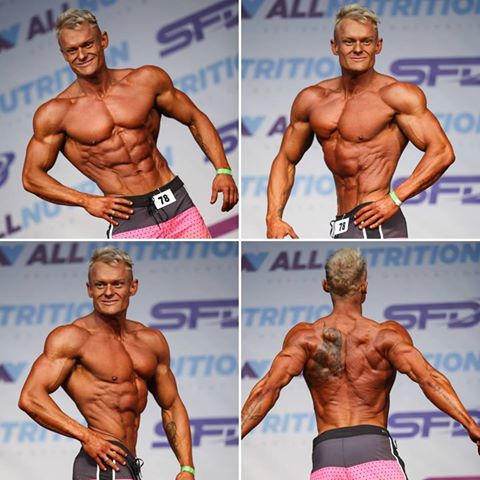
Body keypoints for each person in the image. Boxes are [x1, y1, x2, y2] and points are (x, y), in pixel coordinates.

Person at [242, 248, 480, 479]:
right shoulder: (385, 336)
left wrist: (237, 434)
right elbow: (429, 379)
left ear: (326, 285)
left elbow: (267, 389)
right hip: (374, 452)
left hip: (326, 458)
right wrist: (471, 425)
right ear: (364, 286)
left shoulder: (305, 338)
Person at [22, 9, 238, 239]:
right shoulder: (56, 113)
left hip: (177, 202)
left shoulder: (146, 81)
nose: (82, 55)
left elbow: (194, 117)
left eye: (88, 44)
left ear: (103, 40)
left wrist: (222, 169)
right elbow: (31, 176)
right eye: (72, 50)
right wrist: (86, 200)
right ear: (64, 55)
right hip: (129, 217)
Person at [266, 3, 454, 239]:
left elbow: (442, 152)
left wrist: (395, 199)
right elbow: (286, 159)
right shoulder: (312, 99)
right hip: (342, 222)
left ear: (378, 46)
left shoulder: (396, 96)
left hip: (377, 221)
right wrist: (273, 217)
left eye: (366, 41)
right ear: (335, 46)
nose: (358, 49)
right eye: (349, 42)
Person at [18, 247, 195, 480]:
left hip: (127, 464)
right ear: (89, 289)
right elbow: (30, 397)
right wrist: (87, 436)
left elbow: (171, 405)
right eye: (100, 285)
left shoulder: (151, 341)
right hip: (101, 463)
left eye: (117, 284)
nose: (108, 292)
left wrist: (186, 467)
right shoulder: (73, 338)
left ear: (133, 287)